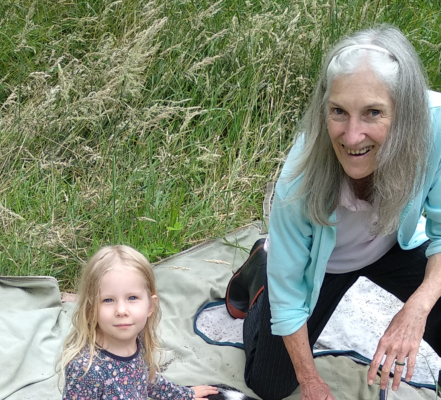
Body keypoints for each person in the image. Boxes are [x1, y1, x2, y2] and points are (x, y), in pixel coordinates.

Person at [226, 25, 441, 400]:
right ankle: (265, 264)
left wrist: (415, 310)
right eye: (339, 111)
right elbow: (291, 300)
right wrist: (312, 383)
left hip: (394, 241)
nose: (352, 136)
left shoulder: (436, 127)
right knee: (270, 384)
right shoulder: (298, 177)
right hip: (323, 262)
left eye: (373, 112)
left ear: (405, 113)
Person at [61, 245, 218, 399]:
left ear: (150, 306)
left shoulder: (139, 340)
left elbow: (148, 380)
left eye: (132, 298)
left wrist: (185, 395)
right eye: (108, 300)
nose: (121, 310)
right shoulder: (85, 369)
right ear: (90, 308)